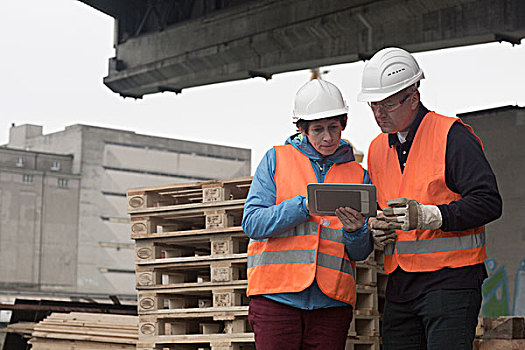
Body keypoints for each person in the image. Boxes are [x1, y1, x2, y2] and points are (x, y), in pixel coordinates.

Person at [358, 47, 502, 350]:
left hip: (452, 281)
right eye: (373, 105)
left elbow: (489, 202)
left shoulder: (452, 135)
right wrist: (377, 227)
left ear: (413, 96)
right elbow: (384, 207)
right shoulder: (375, 149)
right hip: (401, 284)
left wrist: (431, 216)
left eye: (387, 104)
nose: (379, 114)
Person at [242, 79, 373, 350]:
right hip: (276, 299)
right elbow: (252, 223)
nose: (327, 137)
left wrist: (356, 232)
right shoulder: (276, 159)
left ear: (344, 124)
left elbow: (360, 253)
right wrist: (302, 206)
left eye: (334, 127)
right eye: (318, 129)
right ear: (302, 129)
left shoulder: (358, 175)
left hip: (331, 303)